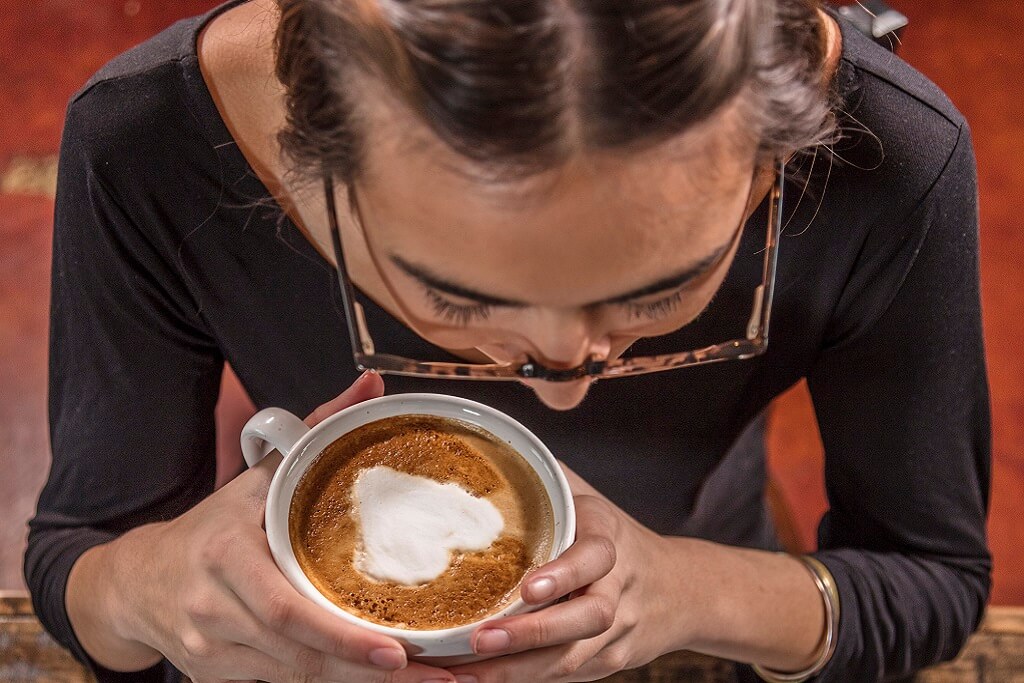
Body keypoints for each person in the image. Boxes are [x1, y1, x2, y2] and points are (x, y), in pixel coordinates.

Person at [26, 0, 991, 681]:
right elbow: (81, 557)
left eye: (657, 293)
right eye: (458, 297)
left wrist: (686, 590)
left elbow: (933, 583)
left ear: (778, 157)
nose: (563, 388)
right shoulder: (147, 142)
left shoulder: (890, 156)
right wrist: (146, 587)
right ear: (305, 149)